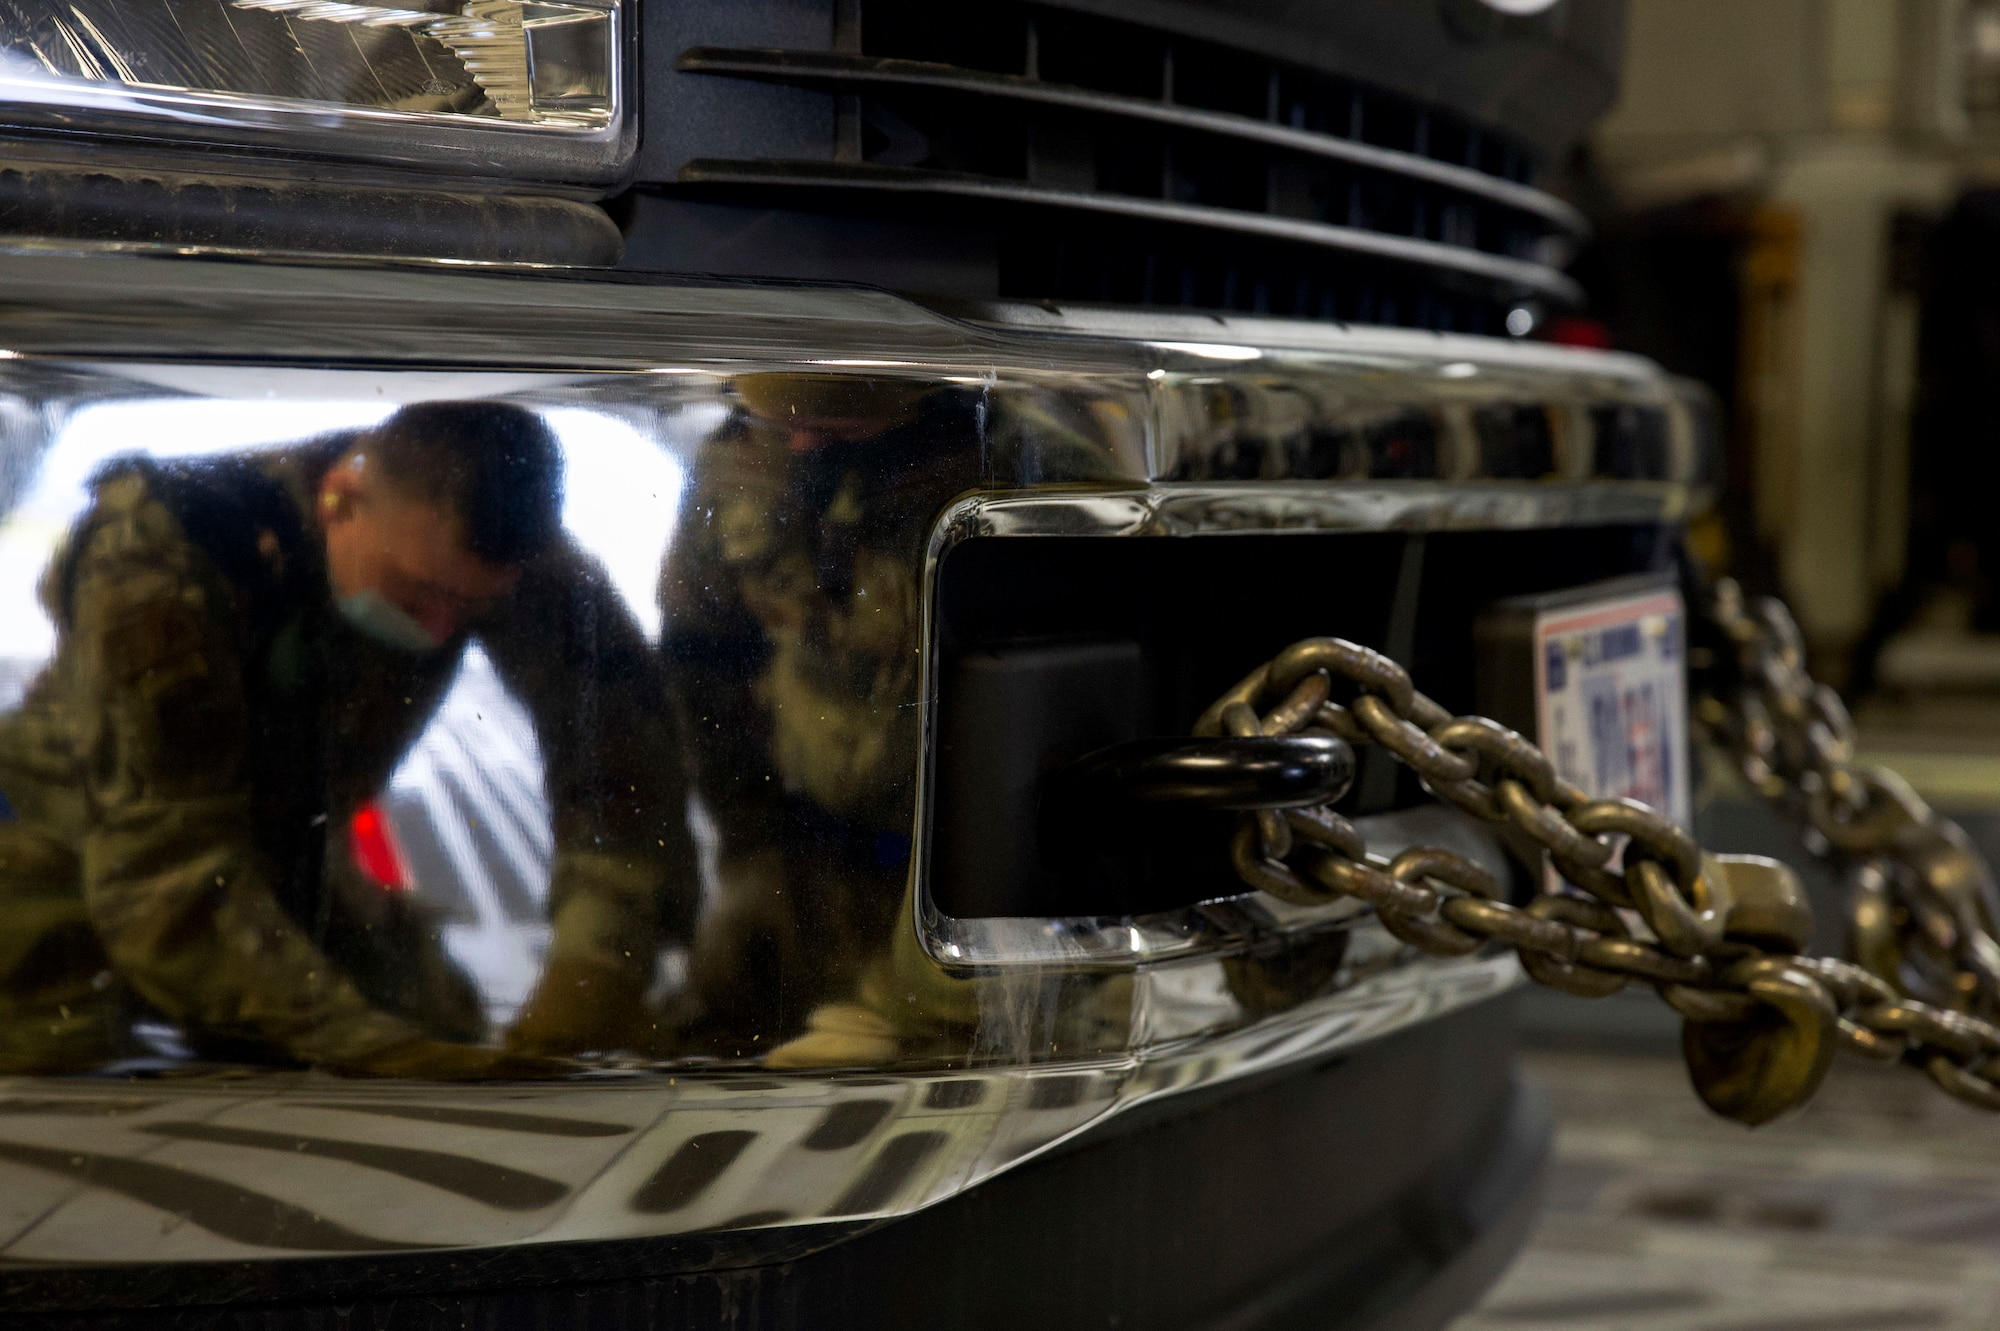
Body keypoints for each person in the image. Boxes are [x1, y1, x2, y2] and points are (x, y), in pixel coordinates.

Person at [0, 400, 697, 1076]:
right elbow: (163, 870)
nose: (440, 626)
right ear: (339, 498)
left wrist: (592, 973)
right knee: (63, 1080)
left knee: (444, 1036)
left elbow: (625, 767)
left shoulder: (486, 554)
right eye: (416, 592)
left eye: (470, 605)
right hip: (78, 849)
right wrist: (373, 1052)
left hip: (286, 857)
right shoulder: (167, 551)